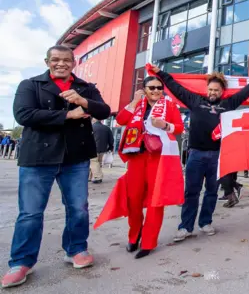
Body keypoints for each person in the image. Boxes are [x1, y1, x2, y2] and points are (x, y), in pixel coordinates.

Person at [3, 45, 110, 288]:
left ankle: (76, 249)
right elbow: (24, 115)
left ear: (73, 62)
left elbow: (103, 110)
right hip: (38, 158)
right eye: (55, 60)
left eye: (66, 60)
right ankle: (21, 262)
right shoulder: (30, 85)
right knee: (30, 212)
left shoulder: (86, 87)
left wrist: (83, 101)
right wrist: (67, 116)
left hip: (76, 158)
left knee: (78, 208)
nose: (60, 64)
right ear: (47, 61)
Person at [149, 64, 249, 242]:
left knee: (212, 191)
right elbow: (174, 86)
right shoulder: (194, 100)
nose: (213, 93)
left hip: (217, 156)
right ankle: (185, 227)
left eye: (216, 90)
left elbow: (245, 93)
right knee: (191, 192)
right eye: (210, 89)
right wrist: (160, 73)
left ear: (222, 91)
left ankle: (205, 222)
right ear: (207, 89)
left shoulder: (229, 104)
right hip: (195, 155)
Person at [114, 77, 184, 259]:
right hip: (136, 156)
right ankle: (134, 235)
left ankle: (148, 241)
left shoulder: (170, 106)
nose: (156, 91)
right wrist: (134, 101)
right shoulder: (137, 104)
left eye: (159, 88)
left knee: (155, 200)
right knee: (133, 199)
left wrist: (165, 125)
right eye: (151, 87)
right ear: (143, 89)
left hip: (158, 157)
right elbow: (121, 120)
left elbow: (179, 127)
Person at [90, 119, 114, 184]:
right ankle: (90, 177)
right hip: (103, 149)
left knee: (93, 162)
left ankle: (98, 177)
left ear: (93, 120)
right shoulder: (106, 128)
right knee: (98, 163)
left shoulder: (91, 127)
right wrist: (110, 147)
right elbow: (111, 139)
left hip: (93, 149)